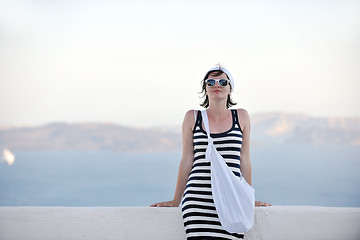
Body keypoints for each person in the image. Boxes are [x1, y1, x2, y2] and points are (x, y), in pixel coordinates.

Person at [150, 65, 271, 239]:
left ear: (230, 89)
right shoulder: (192, 117)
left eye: (223, 81)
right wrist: (176, 200)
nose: (217, 85)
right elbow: (186, 160)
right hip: (198, 201)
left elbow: (244, 159)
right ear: (205, 89)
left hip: (232, 200)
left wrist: (247, 199)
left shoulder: (242, 117)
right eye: (211, 82)